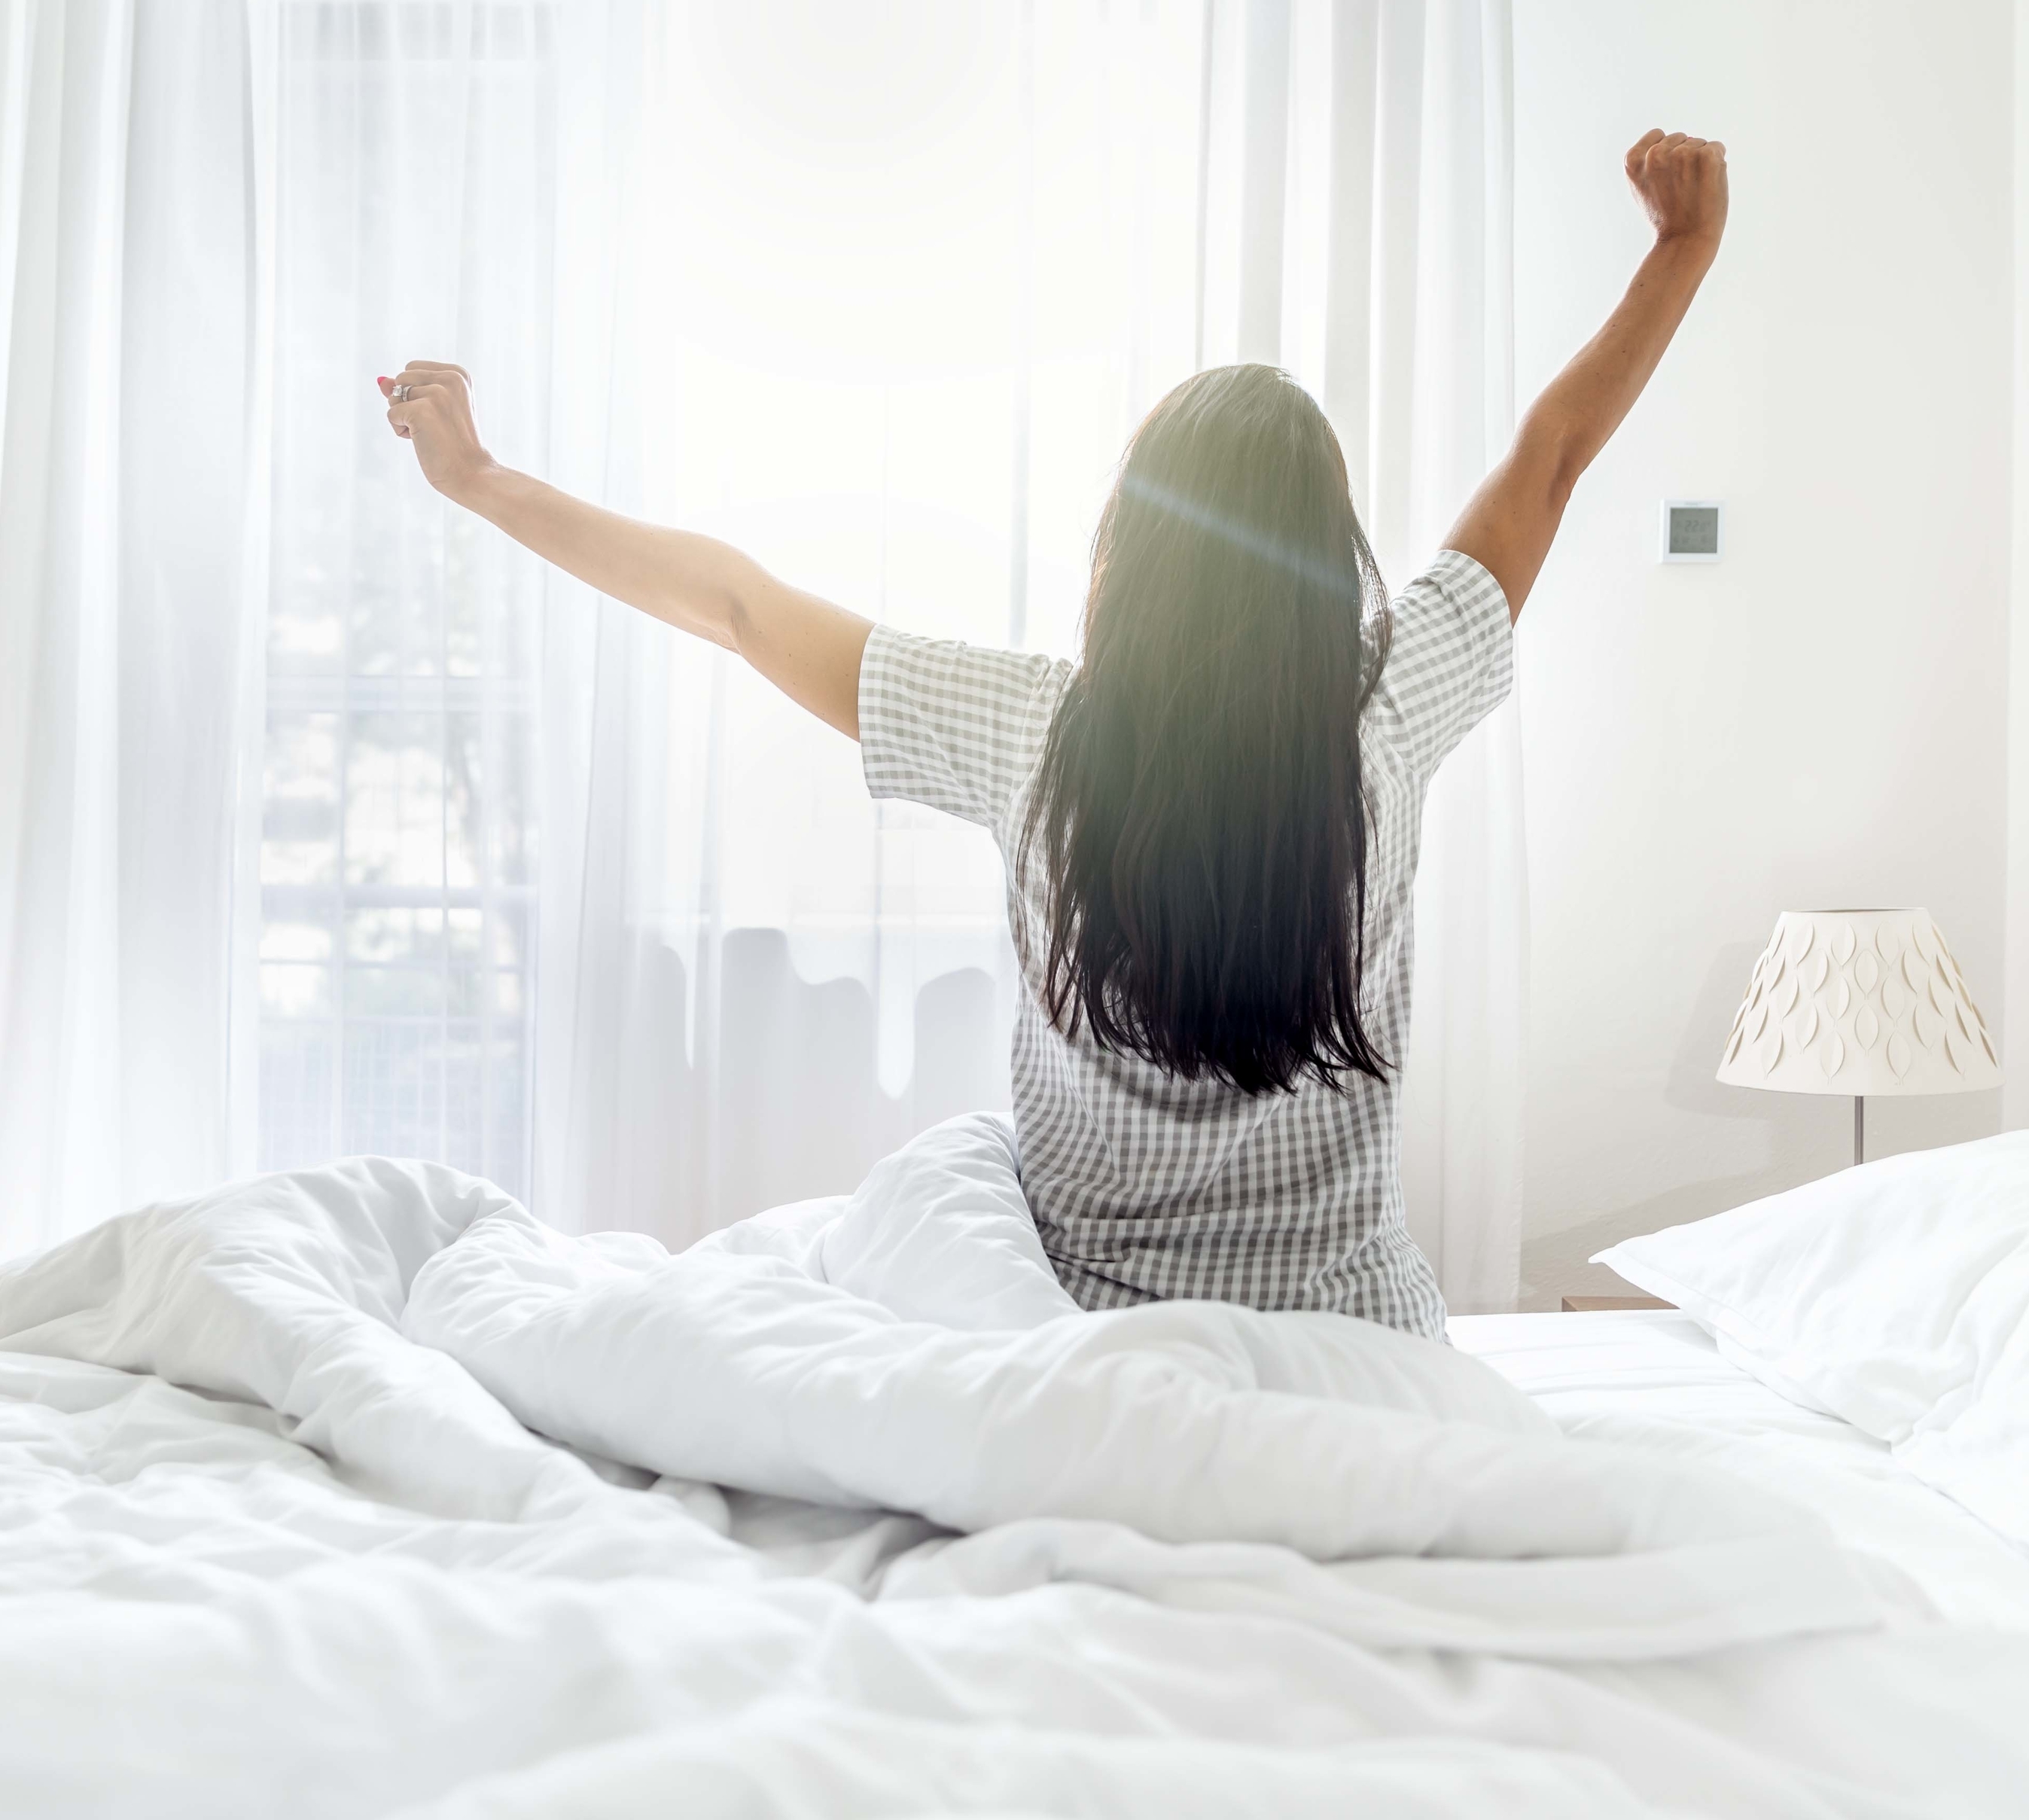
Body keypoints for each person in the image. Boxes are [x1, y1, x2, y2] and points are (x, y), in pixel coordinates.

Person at [382, 129, 1728, 1336]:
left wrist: (484, 482)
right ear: (1332, 565)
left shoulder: (1031, 734)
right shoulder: (1393, 707)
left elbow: (736, 604)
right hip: (1351, 1335)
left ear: (1129, 555)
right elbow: (1550, 456)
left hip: (1079, 1343)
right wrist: (1682, 250)